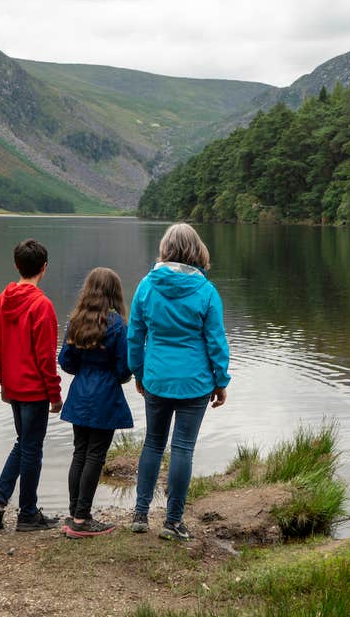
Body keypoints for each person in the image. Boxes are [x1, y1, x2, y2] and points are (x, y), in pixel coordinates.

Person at [128, 223, 230, 542]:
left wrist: (139, 372)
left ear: (165, 247)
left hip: (157, 377)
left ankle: (140, 515)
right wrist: (221, 380)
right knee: (183, 448)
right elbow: (215, 341)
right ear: (196, 249)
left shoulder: (147, 285)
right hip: (195, 381)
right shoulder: (206, 291)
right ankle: (172, 522)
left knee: (153, 444)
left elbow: (135, 335)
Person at [0, 239, 62, 532]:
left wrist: (3, 381)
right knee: (31, 448)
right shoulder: (42, 305)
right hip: (35, 390)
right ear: (44, 268)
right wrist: (55, 394)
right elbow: (45, 359)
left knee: (24, 444)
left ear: (17, 266)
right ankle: (26, 513)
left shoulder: (4, 299)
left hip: (14, 387)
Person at [57, 267, 134, 538]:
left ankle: (74, 514)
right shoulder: (116, 325)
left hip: (79, 394)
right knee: (95, 455)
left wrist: (86, 370)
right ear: (115, 293)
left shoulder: (75, 321)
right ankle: (82, 518)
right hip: (104, 395)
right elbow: (125, 368)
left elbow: (65, 361)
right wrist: (112, 376)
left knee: (80, 452)